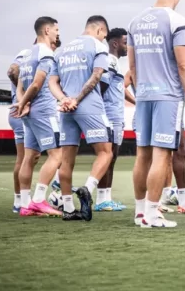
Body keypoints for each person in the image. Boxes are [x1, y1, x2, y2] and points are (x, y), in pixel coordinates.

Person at [129, 0, 185, 228]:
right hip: (167, 96)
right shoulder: (176, 20)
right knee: (161, 156)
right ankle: (152, 213)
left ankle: (139, 212)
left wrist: (141, 91)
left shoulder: (135, 22)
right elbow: (183, 64)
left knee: (142, 155)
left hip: (143, 94)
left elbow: (132, 68)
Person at [54, 16, 118, 221]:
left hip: (65, 109)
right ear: (100, 30)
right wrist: (77, 99)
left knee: (66, 160)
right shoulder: (97, 45)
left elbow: (52, 82)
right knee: (106, 152)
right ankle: (88, 188)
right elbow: (97, 75)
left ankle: (68, 209)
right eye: (105, 35)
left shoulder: (61, 50)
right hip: (88, 105)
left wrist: (65, 99)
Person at [12, 17, 66, 217]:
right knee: (57, 155)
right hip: (43, 110)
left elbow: (20, 86)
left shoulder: (27, 55)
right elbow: (36, 84)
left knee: (30, 157)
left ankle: (25, 205)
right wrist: (24, 103)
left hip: (29, 112)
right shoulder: (45, 52)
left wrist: (22, 103)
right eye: (56, 29)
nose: (57, 33)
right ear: (46, 30)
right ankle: (38, 200)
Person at [95, 27, 136, 212]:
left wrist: (135, 102)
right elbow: (101, 87)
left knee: (113, 158)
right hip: (109, 117)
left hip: (116, 117)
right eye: (125, 42)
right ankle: (101, 199)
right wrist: (101, 112)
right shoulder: (109, 61)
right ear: (115, 43)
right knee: (108, 157)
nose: (127, 46)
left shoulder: (116, 63)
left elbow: (119, 88)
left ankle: (106, 198)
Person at [7, 48, 32, 213]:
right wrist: (23, 96)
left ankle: (20, 201)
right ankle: (22, 201)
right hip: (22, 111)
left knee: (25, 158)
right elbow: (12, 71)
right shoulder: (28, 54)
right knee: (24, 158)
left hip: (23, 111)